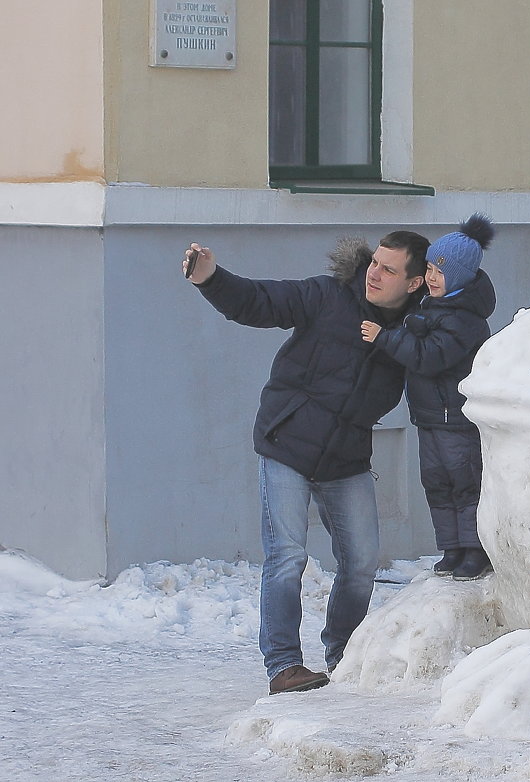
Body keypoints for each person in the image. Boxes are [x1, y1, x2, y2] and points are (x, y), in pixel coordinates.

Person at [183, 230, 429, 695]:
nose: (374, 274)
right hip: (288, 443)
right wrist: (211, 279)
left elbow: (448, 351)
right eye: (375, 263)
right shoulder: (327, 295)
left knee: (360, 563)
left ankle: (343, 653)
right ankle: (283, 666)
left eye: (390, 270)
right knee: (287, 556)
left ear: (414, 283)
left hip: (347, 456)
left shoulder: (412, 330)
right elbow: (260, 301)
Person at [360, 214, 496, 581]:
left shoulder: (465, 319)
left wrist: (386, 337)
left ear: (461, 276)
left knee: (465, 482)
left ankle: (475, 550)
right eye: (430, 268)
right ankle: (451, 548)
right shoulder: (431, 305)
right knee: (436, 482)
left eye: (440, 271)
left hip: (458, 419)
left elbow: (432, 357)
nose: (432, 277)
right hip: (429, 415)